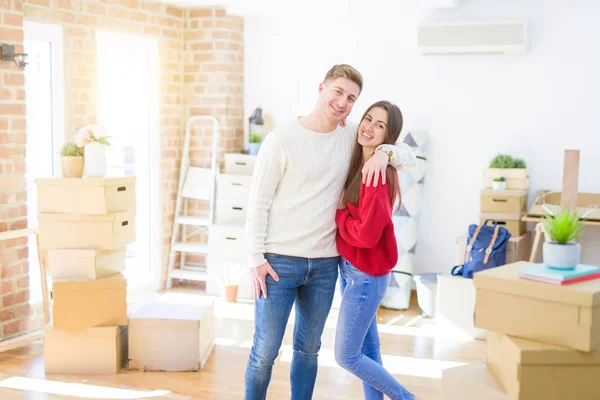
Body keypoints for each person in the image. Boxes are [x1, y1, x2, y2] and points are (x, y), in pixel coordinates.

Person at [244, 64, 416, 400]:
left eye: (351, 98)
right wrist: (255, 258)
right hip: (279, 263)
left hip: (325, 265)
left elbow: (403, 150)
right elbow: (257, 203)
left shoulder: (350, 134)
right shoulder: (281, 139)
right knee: (264, 352)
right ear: (321, 88)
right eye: (338, 92)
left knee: (309, 351)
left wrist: (385, 152)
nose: (342, 102)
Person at [334, 101, 414, 400]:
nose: (368, 127)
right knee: (367, 351)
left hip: (364, 276)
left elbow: (367, 236)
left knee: (346, 356)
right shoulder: (364, 163)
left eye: (379, 125)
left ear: (388, 136)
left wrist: (341, 213)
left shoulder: (377, 174)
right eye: (368, 119)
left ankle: (407, 398)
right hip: (354, 271)